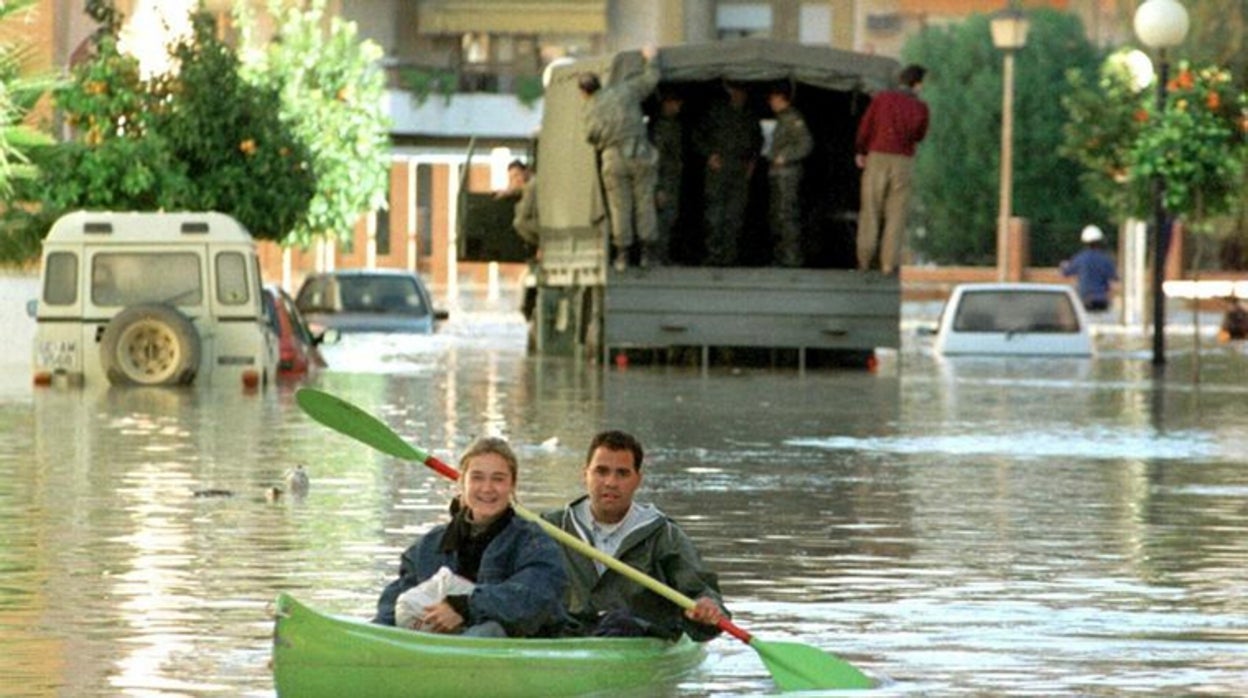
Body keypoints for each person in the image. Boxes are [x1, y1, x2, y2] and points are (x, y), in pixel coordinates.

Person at [542, 430, 727, 642]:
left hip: (634, 635)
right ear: (585, 474)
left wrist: (707, 607)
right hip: (567, 637)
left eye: (622, 473)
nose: (611, 482)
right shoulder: (549, 528)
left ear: (638, 479)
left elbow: (700, 590)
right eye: (601, 471)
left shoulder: (664, 534)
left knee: (620, 623)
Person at [373, 437, 568, 637]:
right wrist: (379, 634)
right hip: (439, 645)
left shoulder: (535, 544)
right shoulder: (428, 546)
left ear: (512, 485)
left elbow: (534, 597)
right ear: (462, 483)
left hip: (509, 645)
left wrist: (464, 607)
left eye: (498, 479)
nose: (487, 488)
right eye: (477, 477)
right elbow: (393, 602)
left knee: (489, 631)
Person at [580, 46, 662, 271]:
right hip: (639, 153)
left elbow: (591, 137)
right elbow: (651, 79)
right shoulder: (626, 91)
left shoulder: (589, 108)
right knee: (644, 201)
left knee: (620, 207)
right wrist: (651, 59)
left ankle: (622, 255)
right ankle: (647, 252)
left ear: (584, 92)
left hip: (613, 158)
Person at [855, 64, 929, 275]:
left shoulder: (882, 99)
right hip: (904, 161)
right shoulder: (921, 107)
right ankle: (888, 263)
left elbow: (866, 126)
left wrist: (861, 150)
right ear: (918, 84)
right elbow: (920, 135)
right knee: (896, 214)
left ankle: (864, 259)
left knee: (870, 209)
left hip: (877, 156)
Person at [693, 82, 763, 266]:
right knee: (715, 214)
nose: (740, 95)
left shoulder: (749, 115)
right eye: (737, 91)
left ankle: (730, 256)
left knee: (735, 214)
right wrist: (709, 155)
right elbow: (697, 136)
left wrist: (752, 163)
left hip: (740, 169)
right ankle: (713, 255)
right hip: (719, 168)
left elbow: (758, 141)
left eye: (743, 92)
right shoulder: (716, 112)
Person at [766, 86, 813, 267]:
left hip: (787, 174)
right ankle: (781, 256)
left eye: (773, 99)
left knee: (786, 214)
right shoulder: (780, 119)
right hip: (777, 174)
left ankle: (791, 257)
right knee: (777, 215)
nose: (770, 103)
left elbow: (806, 144)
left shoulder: (793, 118)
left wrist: (786, 156)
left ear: (781, 98)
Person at [651, 91, 685, 265]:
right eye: (676, 103)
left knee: (669, 219)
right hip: (664, 181)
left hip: (672, 179)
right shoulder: (662, 127)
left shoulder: (673, 125)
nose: (679, 107)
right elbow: (656, 159)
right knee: (661, 220)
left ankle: (663, 255)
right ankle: (656, 256)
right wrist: (658, 188)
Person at [1060, 225, 1119, 312]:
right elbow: (1114, 277)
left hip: (1085, 300)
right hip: (1102, 301)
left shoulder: (1080, 258)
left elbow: (1066, 273)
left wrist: (1063, 265)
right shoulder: (1106, 259)